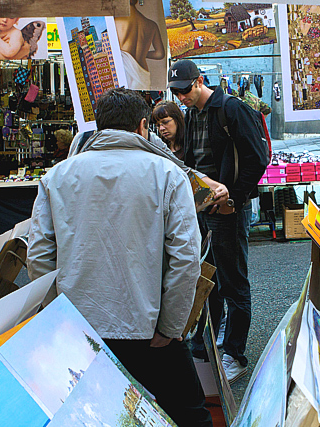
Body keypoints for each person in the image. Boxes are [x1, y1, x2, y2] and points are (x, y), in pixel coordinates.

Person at [27, 88, 212, 427]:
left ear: (99, 127)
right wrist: (170, 326)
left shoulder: (57, 176)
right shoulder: (169, 175)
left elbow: (39, 256)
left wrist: (59, 316)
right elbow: (186, 260)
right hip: (149, 328)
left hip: (80, 325)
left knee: (88, 414)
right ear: (144, 126)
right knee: (188, 414)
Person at [169, 59, 269, 381]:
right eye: (176, 93)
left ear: (199, 81)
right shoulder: (192, 114)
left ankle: (235, 354)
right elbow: (190, 162)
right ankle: (206, 342)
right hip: (201, 210)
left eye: (184, 90)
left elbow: (258, 158)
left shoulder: (231, 108)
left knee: (233, 281)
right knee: (206, 276)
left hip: (227, 210)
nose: (181, 97)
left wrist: (235, 199)